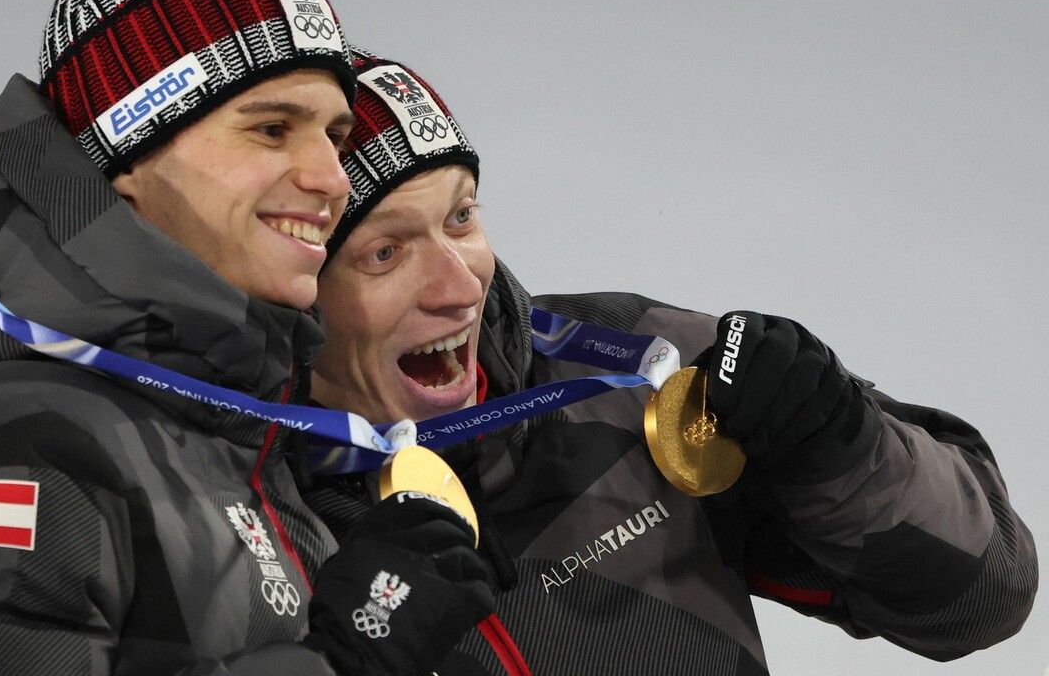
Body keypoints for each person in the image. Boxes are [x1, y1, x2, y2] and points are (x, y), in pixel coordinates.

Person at [0, 0, 492, 676]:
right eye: (272, 129)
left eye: (334, 136)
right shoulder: (22, 442)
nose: (331, 178)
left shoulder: (228, 437)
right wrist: (350, 658)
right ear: (128, 154)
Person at [300, 48, 1038, 674]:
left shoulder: (624, 367)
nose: (461, 287)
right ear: (301, 291)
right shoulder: (257, 505)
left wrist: (843, 447)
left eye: (461, 217)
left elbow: (984, 599)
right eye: (386, 252)